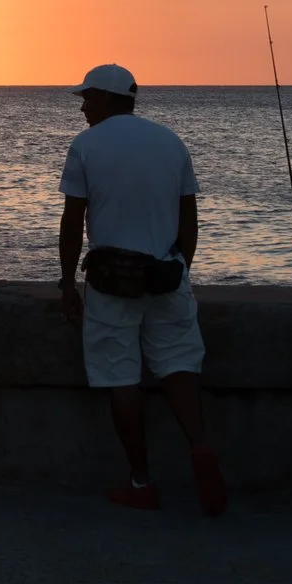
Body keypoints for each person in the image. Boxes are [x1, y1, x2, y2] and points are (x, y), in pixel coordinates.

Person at [57, 65, 228, 517]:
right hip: (167, 275)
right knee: (179, 367)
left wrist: (66, 281)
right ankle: (201, 449)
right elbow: (188, 218)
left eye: (88, 98)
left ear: (110, 100)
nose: (83, 107)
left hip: (112, 282)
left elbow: (73, 222)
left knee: (120, 377)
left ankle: (141, 481)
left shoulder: (87, 146)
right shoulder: (170, 142)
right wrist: (180, 270)